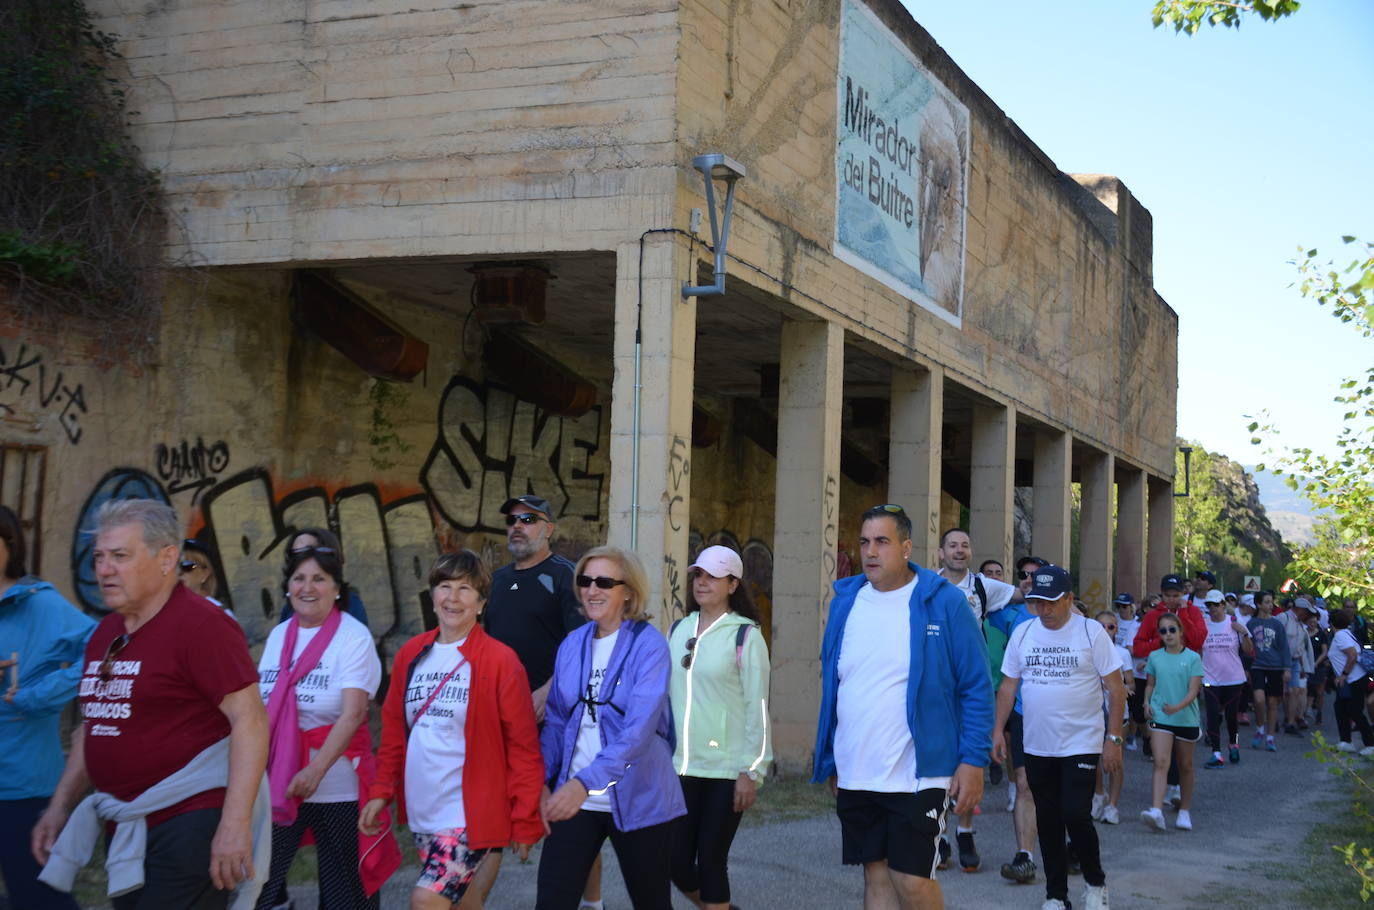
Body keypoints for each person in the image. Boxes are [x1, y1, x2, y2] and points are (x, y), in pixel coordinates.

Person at [32, 498, 270, 909]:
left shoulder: (202, 626)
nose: (104, 569)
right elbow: (97, 725)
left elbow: (250, 720)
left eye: (120, 556)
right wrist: (60, 806)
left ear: (167, 559)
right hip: (125, 825)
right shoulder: (105, 631)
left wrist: (234, 825)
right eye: (100, 557)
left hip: (190, 822)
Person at [812, 504, 992, 910]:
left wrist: (973, 760)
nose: (870, 551)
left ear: (906, 547)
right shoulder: (846, 602)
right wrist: (832, 758)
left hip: (919, 772)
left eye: (882, 542)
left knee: (910, 879)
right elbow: (836, 684)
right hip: (857, 769)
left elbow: (977, 685)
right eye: (864, 542)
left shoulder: (942, 602)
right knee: (875, 875)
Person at [361, 550, 545, 908]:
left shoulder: (500, 660)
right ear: (432, 597)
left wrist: (525, 820)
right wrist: (381, 790)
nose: (453, 598)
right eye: (445, 586)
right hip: (423, 809)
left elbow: (523, 748)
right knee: (464, 903)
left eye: (465, 589)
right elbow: (395, 733)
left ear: (481, 603)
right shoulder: (411, 654)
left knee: (425, 900)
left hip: (469, 815)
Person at [536, 546, 684, 910]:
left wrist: (583, 782)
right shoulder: (572, 644)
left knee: (651, 903)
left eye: (604, 581)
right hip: (576, 799)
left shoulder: (649, 646)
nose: (592, 590)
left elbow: (638, 731)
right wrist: (540, 779)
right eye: (585, 581)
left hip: (639, 795)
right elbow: (556, 721)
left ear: (628, 591)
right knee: (552, 902)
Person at [473, 494, 589, 909]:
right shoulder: (497, 581)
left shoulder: (564, 576)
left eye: (528, 519)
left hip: (553, 718)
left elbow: (583, 647)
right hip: (501, 718)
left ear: (548, 529)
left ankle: (591, 904)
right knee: (491, 818)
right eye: (511, 520)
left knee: (568, 819)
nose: (517, 526)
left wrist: (547, 691)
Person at [255, 547, 386, 910]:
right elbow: (263, 708)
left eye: (318, 579)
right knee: (259, 887)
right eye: (299, 578)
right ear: (288, 587)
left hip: (336, 787)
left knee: (346, 895)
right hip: (280, 780)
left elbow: (353, 714)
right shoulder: (280, 636)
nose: (307, 588)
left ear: (337, 588)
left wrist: (315, 769)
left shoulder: (353, 637)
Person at [993, 564, 1123, 910]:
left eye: (1051, 602)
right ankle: (1056, 895)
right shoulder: (1023, 633)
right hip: (1037, 743)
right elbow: (1008, 687)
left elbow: (1115, 688)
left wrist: (1114, 739)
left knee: (1075, 814)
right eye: (1037, 603)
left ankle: (1096, 884)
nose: (1045, 610)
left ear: (1068, 599)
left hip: (1081, 741)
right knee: (1048, 820)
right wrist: (996, 732)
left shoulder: (1091, 632)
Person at [0, 505, 95, 910]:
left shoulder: (38, 603)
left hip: (23, 782)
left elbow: (101, 652)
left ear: (10, 545)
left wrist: (39, 695)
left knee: (37, 896)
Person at [668, 545, 771, 910]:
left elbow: (757, 707)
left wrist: (751, 771)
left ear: (732, 583)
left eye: (712, 576)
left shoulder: (745, 636)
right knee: (676, 862)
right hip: (680, 767)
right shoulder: (678, 629)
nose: (702, 582)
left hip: (726, 771)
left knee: (711, 862)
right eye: (698, 574)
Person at [933, 527, 1017, 873]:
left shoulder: (984, 585)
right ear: (941, 553)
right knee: (938, 760)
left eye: (965, 545)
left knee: (971, 755)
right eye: (952, 545)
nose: (959, 550)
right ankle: (940, 835)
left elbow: (1024, 596)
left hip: (972, 683)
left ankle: (965, 831)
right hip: (936, 685)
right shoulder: (927, 584)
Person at [994, 555, 1047, 884]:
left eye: (1035, 575)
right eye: (1023, 575)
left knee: (1060, 789)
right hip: (1025, 713)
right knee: (1025, 784)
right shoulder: (1010, 615)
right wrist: (997, 728)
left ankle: (1070, 844)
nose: (1029, 579)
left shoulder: (1077, 621)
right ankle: (1025, 856)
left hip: (1064, 719)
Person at [1139, 614, 1203, 831]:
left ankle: (1184, 810)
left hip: (1185, 717)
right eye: (1163, 631)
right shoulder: (1155, 656)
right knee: (1160, 762)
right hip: (1161, 716)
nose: (1168, 634)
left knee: (1185, 765)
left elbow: (1194, 691)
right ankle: (1156, 810)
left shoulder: (1193, 658)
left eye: (1172, 630)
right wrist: (1147, 703)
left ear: (1180, 631)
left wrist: (1177, 707)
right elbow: (1150, 684)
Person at [1200, 590, 1252, 769]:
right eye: (1209, 605)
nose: (1213, 608)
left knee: (1231, 718)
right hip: (1210, 678)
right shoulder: (1204, 624)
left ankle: (1234, 743)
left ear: (1223, 605)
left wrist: (1244, 633)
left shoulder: (1235, 623)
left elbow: (1248, 651)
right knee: (1212, 715)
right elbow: (1198, 650)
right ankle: (1216, 753)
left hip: (1233, 678)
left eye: (1216, 604)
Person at [1089, 611, 1133, 825]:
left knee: (1116, 758)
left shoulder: (1123, 653)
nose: (1106, 631)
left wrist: (1123, 687)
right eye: (1102, 626)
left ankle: (1113, 806)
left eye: (1111, 627)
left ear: (1117, 630)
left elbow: (1131, 683)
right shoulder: (1087, 650)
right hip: (1093, 711)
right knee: (1093, 758)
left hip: (1118, 713)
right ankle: (1099, 794)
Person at [276, 528, 369, 628]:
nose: (304, 557)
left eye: (310, 550)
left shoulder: (351, 604)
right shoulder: (288, 610)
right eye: (296, 553)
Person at [1245, 591, 1291, 752]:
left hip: (1275, 666)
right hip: (1257, 665)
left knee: (1272, 702)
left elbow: (1284, 646)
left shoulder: (1277, 624)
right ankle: (1259, 729)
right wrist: (1245, 667)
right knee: (1258, 699)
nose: (1270, 605)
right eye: (1266, 602)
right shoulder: (1251, 623)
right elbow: (1246, 647)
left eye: (1271, 602)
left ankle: (1270, 737)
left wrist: (1287, 668)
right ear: (1258, 604)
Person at [1327, 610, 1374, 755]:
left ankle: (1370, 744)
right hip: (1351, 680)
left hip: (1354, 679)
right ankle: (1346, 741)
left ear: (1332, 623)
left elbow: (1352, 655)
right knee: (1341, 708)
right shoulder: (1347, 633)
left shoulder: (1341, 635)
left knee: (1354, 711)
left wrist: (1344, 675)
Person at [1280, 598, 1318, 733]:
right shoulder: (1283, 618)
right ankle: (1284, 718)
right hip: (1282, 661)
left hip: (1296, 661)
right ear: (1300, 610)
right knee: (1284, 693)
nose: (1308, 616)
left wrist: (1303, 666)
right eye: (1307, 612)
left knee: (1295, 691)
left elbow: (1301, 646)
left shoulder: (1301, 624)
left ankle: (1290, 722)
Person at [179, 537, 231, 616]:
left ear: (205, 574)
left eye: (187, 565)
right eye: (175, 567)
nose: (179, 572)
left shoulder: (219, 613)